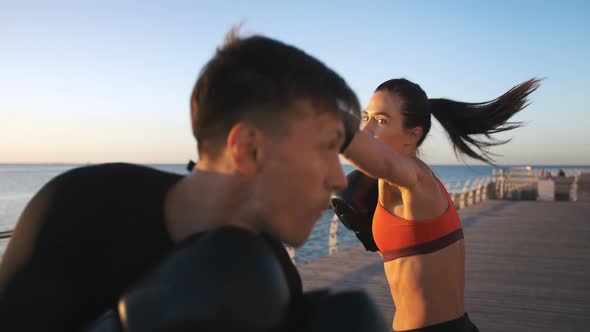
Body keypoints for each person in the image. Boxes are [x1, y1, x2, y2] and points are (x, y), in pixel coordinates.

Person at [0, 28, 385, 332]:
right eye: (325, 149)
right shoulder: (79, 209)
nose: (339, 179)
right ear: (248, 149)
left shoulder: (274, 276)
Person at [334, 78, 540, 331]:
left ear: (413, 134)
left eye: (381, 121)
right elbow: (409, 266)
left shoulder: (415, 178)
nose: (366, 130)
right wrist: (370, 235)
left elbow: (383, 163)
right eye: (365, 117)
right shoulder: (393, 184)